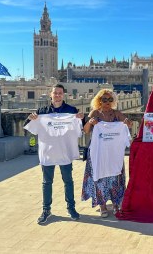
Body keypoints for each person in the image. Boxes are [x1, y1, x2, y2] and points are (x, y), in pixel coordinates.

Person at [25, 84, 84, 224]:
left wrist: (80, 118)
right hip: (47, 153)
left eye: (60, 93)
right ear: (50, 94)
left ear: (63, 95)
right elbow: (29, 127)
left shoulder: (71, 110)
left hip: (65, 152)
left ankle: (71, 208)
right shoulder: (42, 112)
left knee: (68, 181)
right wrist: (30, 118)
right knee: (47, 182)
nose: (57, 95)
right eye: (55, 93)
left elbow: (81, 127)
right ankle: (46, 210)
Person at [81, 89, 132, 218]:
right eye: (104, 99)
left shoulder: (116, 114)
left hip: (113, 154)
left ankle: (116, 204)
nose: (107, 102)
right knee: (100, 178)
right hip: (98, 153)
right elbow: (86, 131)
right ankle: (102, 205)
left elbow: (129, 125)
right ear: (99, 100)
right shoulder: (95, 113)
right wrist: (90, 122)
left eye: (110, 100)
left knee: (115, 178)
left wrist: (127, 123)